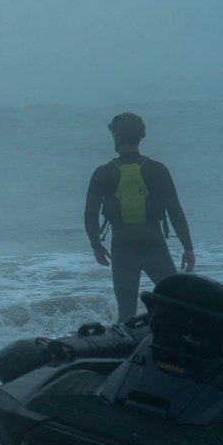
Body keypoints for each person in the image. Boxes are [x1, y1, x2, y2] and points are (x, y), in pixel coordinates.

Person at [84, 112, 196, 323]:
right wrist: (187, 247)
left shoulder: (103, 173)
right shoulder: (158, 170)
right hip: (154, 244)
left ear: (115, 137)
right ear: (141, 136)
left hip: (123, 247)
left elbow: (90, 214)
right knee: (176, 304)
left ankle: (127, 353)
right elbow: (175, 211)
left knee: (126, 313)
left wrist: (96, 245)